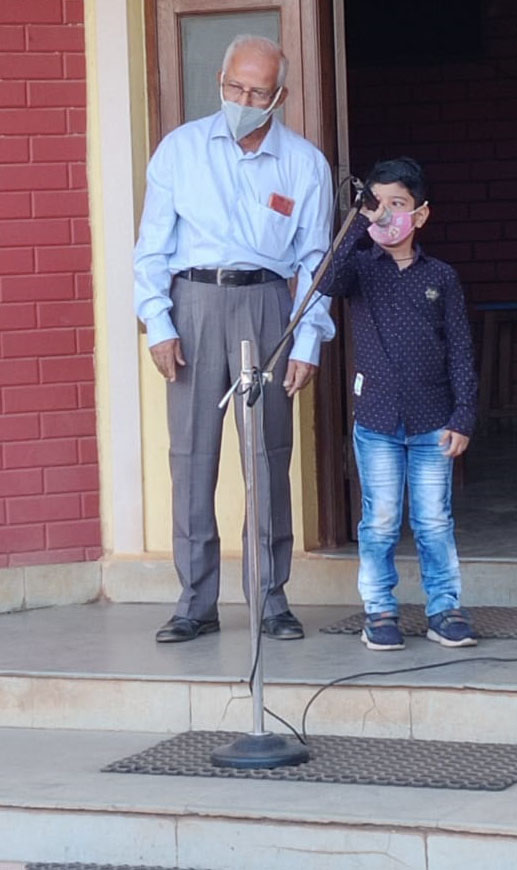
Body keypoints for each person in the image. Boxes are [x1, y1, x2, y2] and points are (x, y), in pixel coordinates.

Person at [134, 35, 334, 643]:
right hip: (192, 302)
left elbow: (317, 261)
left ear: (281, 96)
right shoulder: (180, 151)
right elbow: (151, 250)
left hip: (269, 304)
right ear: (220, 81)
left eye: (258, 92)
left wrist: (307, 341)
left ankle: (270, 597)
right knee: (191, 457)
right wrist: (159, 323)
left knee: (268, 456)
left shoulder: (304, 164)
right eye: (235, 88)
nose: (244, 100)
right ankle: (195, 600)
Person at [319, 157, 478, 650]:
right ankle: (380, 610)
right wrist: (357, 223)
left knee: (433, 521)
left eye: (398, 205)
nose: (388, 215)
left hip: (433, 422)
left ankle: (445, 608)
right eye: (378, 204)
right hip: (378, 422)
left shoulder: (442, 277)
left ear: (421, 214)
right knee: (381, 519)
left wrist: (463, 415)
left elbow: (461, 350)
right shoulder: (362, 271)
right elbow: (327, 281)